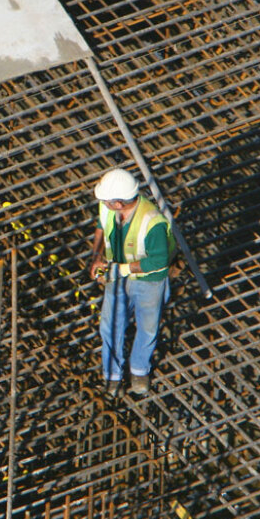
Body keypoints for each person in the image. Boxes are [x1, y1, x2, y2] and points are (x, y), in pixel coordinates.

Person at [89, 169, 174, 396]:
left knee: (147, 327)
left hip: (149, 280)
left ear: (118, 203)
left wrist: (122, 269)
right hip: (117, 273)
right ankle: (113, 376)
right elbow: (101, 225)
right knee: (110, 325)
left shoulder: (152, 221)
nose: (103, 204)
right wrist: (97, 256)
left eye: (107, 201)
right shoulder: (108, 208)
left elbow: (159, 261)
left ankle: (139, 370)